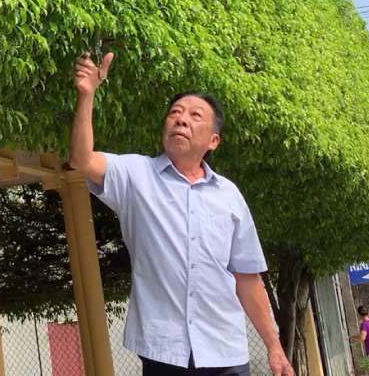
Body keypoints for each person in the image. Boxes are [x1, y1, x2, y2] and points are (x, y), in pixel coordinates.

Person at [70, 51, 293, 376]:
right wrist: (87, 95)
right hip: (163, 352)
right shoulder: (135, 175)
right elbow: (81, 159)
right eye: (175, 112)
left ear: (213, 141)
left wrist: (274, 346)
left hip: (224, 352)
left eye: (195, 115)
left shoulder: (229, 196)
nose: (182, 119)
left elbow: (247, 277)